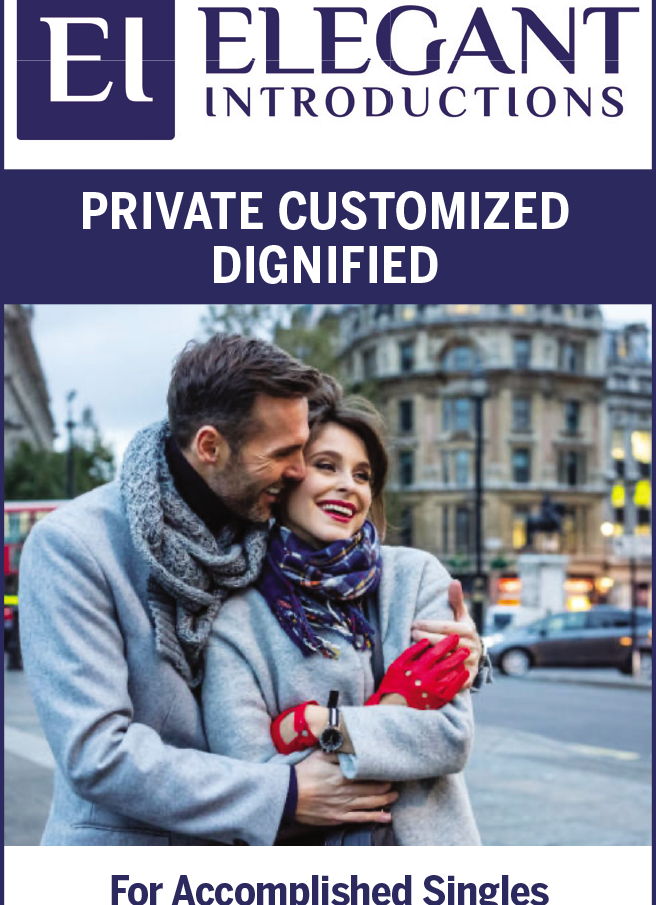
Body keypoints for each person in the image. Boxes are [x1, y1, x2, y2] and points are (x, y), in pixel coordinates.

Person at [19, 333, 422, 845]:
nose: (298, 471)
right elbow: (97, 755)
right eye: (283, 453)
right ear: (210, 446)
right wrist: (286, 791)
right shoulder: (74, 546)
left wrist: (458, 650)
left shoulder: (262, 526)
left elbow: (353, 589)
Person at [202, 396, 481, 844]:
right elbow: (255, 779)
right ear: (286, 477)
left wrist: (318, 724)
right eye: (326, 465)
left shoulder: (418, 578)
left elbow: (450, 738)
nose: (348, 486)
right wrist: (395, 711)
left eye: (362, 474)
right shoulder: (237, 620)